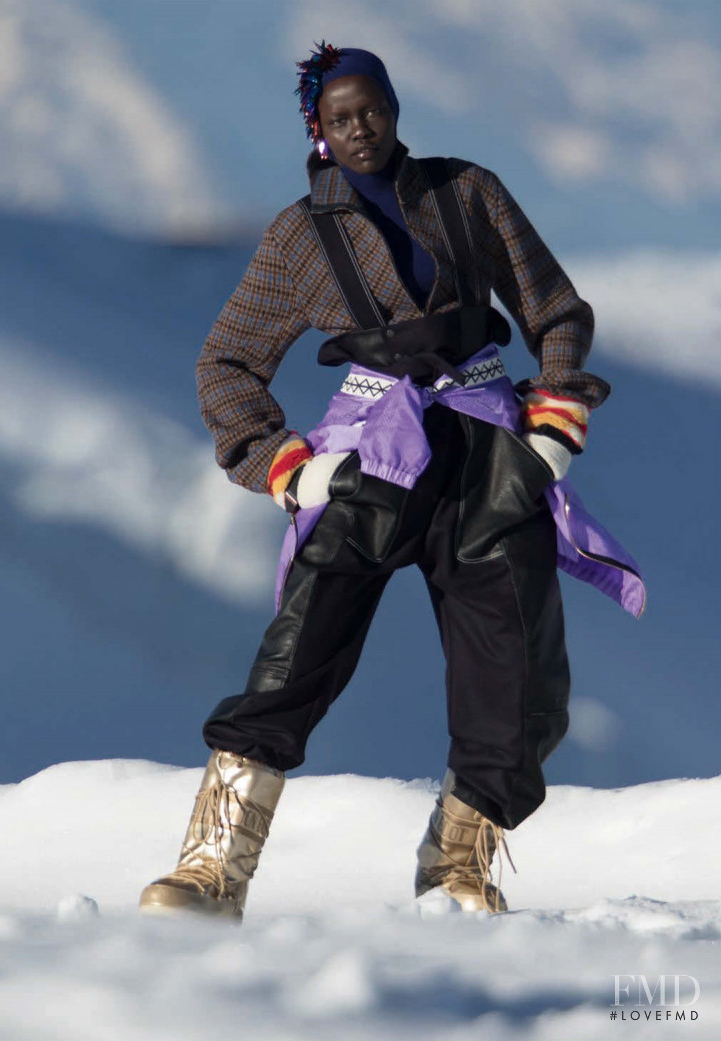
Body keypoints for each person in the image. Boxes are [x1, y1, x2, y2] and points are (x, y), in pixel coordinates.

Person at [139, 44, 643, 919]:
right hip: (369, 455)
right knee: (298, 652)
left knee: (517, 670)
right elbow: (225, 363)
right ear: (319, 133)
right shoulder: (298, 236)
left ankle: (456, 870)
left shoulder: (469, 191)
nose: (360, 127)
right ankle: (211, 870)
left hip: (489, 448)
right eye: (340, 118)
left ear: (395, 106)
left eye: (370, 108)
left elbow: (555, 309)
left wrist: (554, 425)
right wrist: (287, 467)